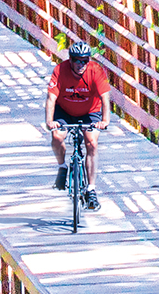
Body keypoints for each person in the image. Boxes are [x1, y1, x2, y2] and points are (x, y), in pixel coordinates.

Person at [45, 41, 111, 210]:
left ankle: (91, 189)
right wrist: (49, 121)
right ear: (71, 60)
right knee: (57, 136)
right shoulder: (60, 71)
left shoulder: (95, 71)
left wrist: (105, 120)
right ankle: (62, 166)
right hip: (65, 110)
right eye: (77, 60)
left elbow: (105, 97)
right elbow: (51, 98)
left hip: (90, 111)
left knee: (91, 142)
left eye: (85, 60)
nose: (81, 64)